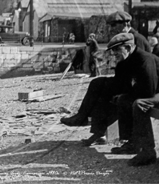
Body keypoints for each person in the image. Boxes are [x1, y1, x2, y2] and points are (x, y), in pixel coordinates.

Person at [60, 11, 152, 129]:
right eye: (110, 25)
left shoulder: (136, 39)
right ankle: (85, 120)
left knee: (100, 89)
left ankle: (86, 120)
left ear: (126, 23)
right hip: (125, 79)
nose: (111, 29)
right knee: (97, 84)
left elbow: (141, 67)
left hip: (134, 84)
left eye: (114, 25)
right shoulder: (125, 37)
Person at [108, 33, 159, 166]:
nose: (114, 54)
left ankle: (148, 151)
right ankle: (132, 142)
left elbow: (149, 90)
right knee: (123, 100)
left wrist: (131, 94)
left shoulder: (144, 59)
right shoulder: (128, 60)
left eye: (117, 50)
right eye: (113, 51)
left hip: (156, 91)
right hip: (154, 92)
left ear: (129, 47)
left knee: (140, 104)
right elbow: (124, 85)